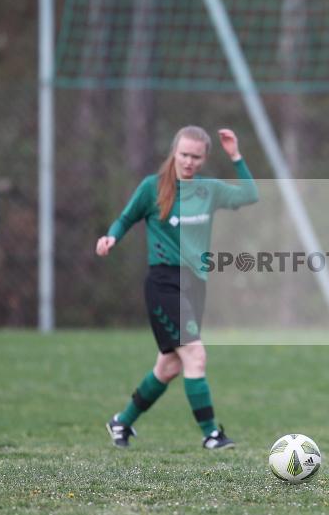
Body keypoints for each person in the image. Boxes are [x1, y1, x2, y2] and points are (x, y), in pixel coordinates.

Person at [97, 126, 258, 449]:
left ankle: (121, 422)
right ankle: (211, 434)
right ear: (174, 152)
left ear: (204, 158)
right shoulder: (152, 188)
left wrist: (236, 156)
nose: (188, 161)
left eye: (195, 157)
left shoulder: (208, 190)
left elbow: (250, 195)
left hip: (194, 284)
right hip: (164, 283)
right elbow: (126, 218)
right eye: (183, 154)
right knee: (195, 355)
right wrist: (112, 236)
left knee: (169, 365)